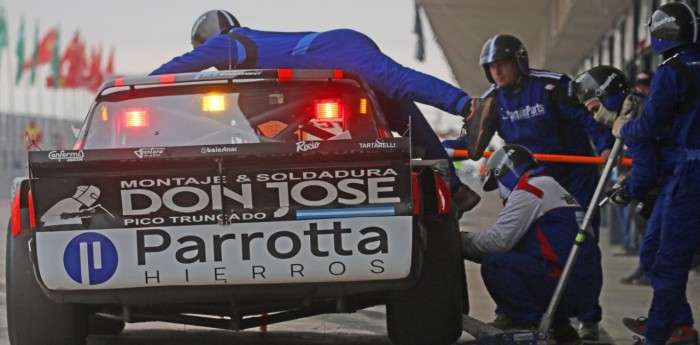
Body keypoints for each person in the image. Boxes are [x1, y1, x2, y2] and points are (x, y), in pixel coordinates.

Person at [150, 9, 481, 215]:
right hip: (332, 54)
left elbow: (178, 68)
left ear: (205, 40)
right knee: (400, 116)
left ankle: (468, 107)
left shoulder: (228, 42)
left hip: (333, 49)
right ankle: (454, 188)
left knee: (393, 80)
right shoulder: (252, 70)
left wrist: (140, 87)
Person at [442, 34, 614, 340]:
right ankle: (520, 313)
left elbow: (588, 117)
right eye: (491, 67)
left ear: (519, 62)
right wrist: (445, 149)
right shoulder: (492, 100)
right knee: (525, 242)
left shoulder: (552, 85)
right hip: (529, 176)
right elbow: (472, 139)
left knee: (581, 242)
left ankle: (589, 318)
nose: (497, 72)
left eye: (503, 64)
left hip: (575, 174)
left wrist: (604, 146)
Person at [596, 3, 700, 345]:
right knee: (655, 250)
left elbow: (651, 126)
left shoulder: (671, 70)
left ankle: (658, 334)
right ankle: (678, 325)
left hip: (689, 173)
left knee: (667, 259)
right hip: (683, 171)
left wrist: (623, 127)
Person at [461, 144, 601, 345]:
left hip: (569, 287)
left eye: (499, 182)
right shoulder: (548, 185)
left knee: (496, 264)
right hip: (581, 289)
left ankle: (527, 325)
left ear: (507, 172)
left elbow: (497, 241)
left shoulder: (530, 188)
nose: (500, 192)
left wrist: (459, 241)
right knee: (522, 255)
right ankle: (560, 329)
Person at [572, 65, 676, 291]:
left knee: (657, 255)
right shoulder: (639, 108)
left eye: (595, 109)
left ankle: (668, 322)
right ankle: (670, 320)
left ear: (607, 97)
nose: (596, 117)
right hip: (671, 182)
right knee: (657, 252)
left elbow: (646, 169)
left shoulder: (633, 122)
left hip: (675, 183)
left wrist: (627, 190)